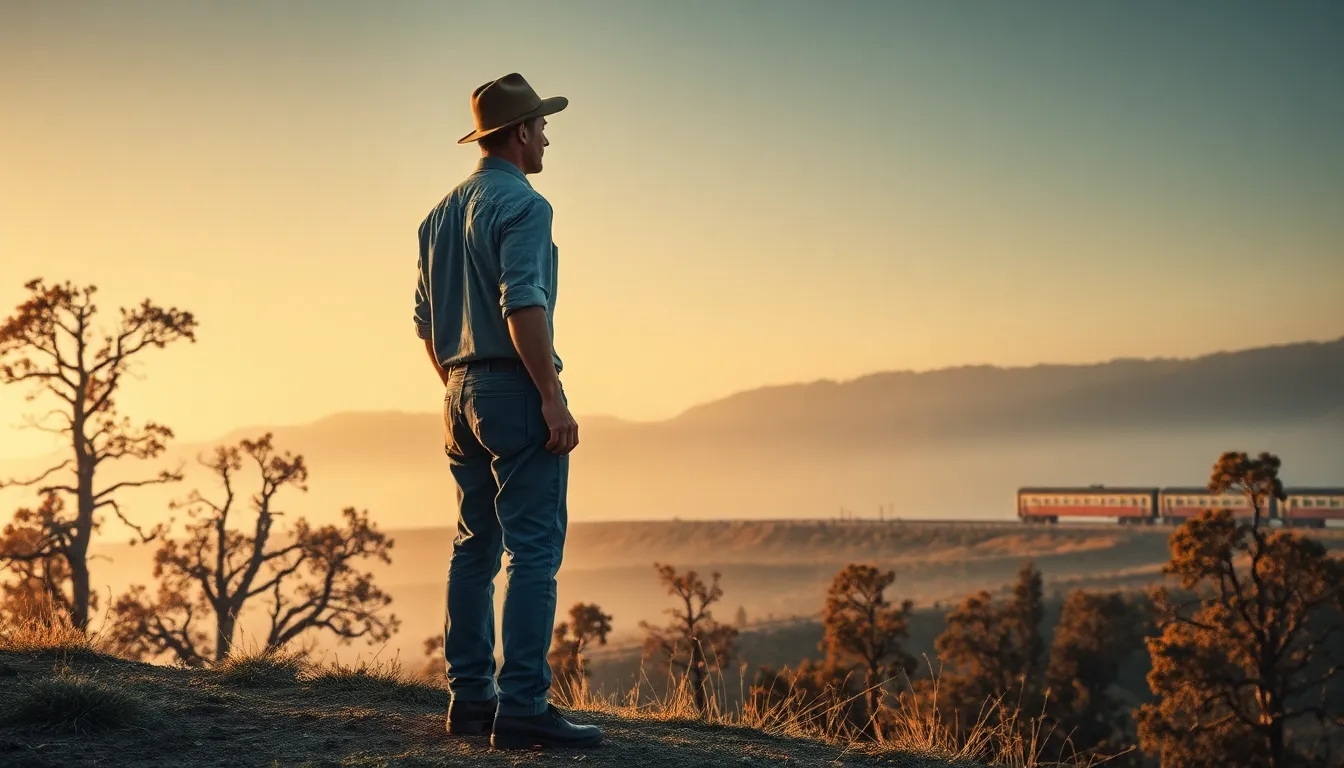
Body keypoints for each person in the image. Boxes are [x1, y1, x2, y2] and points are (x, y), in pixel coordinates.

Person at [413, 72, 602, 751]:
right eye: (543, 126)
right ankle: (522, 708)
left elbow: (425, 324)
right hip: (514, 390)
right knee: (534, 553)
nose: (548, 135)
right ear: (521, 133)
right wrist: (549, 396)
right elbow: (522, 303)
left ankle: (470, 704)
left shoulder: (436, 216)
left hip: (456, 392)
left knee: (473, 549)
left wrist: (461, 386)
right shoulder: (526, 205)